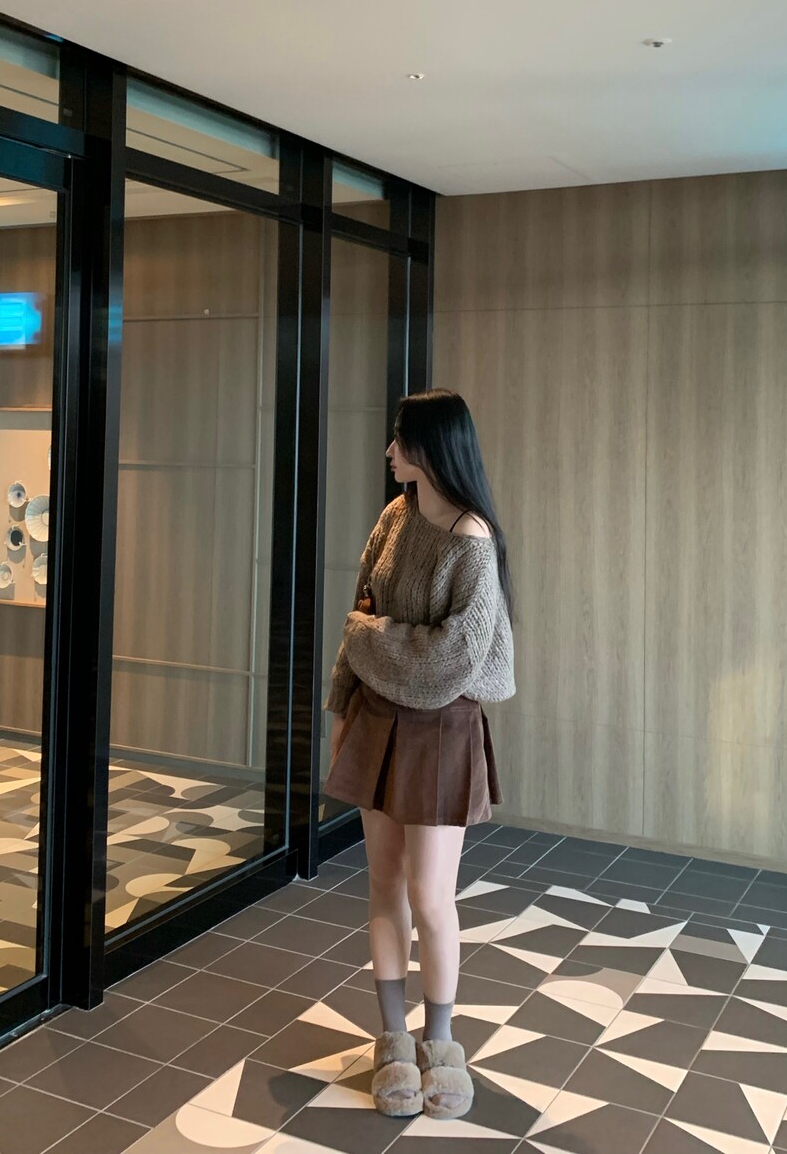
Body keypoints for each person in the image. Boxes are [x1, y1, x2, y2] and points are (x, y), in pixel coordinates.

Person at [324, 389, 516, 1121]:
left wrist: (371, 637)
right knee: (383, 886)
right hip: (376, 720)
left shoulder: (472, 538)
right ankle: (393, 1040)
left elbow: (450, 660)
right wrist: (344, 701)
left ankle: (441, 1043)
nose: (389, 451)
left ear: (432, 448)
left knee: (431, 895)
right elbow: (359, 615)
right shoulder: (393, 517)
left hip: (442, 730)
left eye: (400, 440)